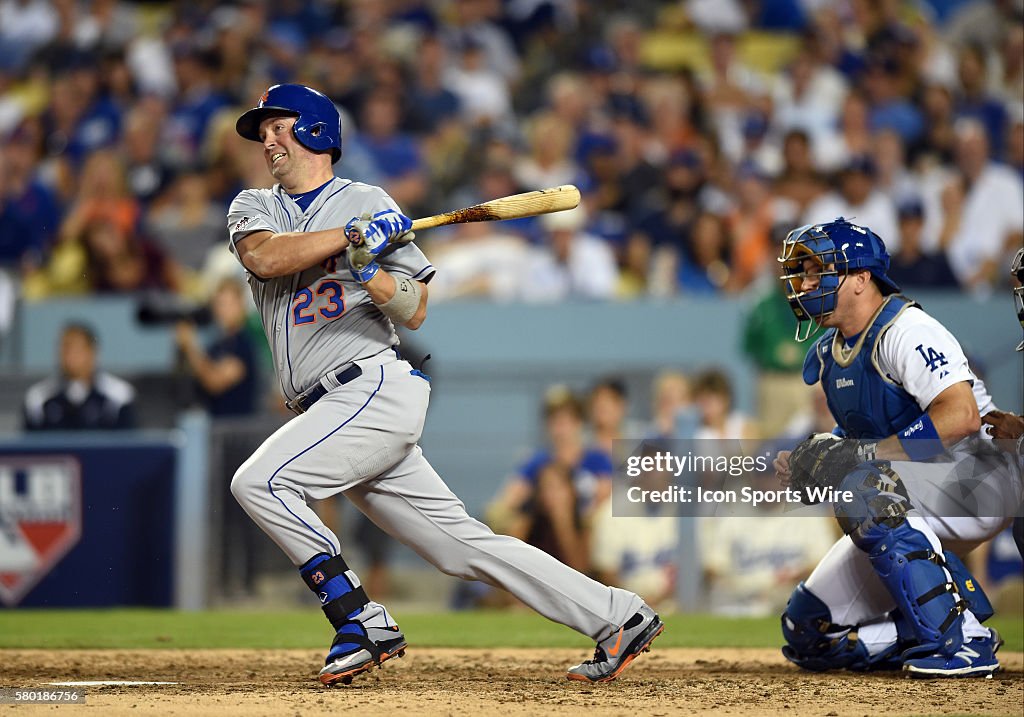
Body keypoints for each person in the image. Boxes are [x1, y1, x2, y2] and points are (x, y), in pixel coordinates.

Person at [226, 84, 662, 686]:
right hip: (329, 408)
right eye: (263, 130)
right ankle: (619, 616)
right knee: (462, 549)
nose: (267, 138)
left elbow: (414, 308)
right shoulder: (257, 206)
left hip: (372, 387)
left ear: (317, 130)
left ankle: (357, 618)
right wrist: (351, 237)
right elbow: (266, 259)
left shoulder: (369, 199)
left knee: (260, 482)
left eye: (278, 125)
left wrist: (373, 270)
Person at [772, 217, 1021, 678]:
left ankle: (963, 640)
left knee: (861, 486)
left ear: (861, 278)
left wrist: (858, 459)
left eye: (815, 270)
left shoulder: (907, 329)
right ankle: (921, 628)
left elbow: (960, 417)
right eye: (802, 272)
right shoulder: (830, 354)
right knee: (810, 632)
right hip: (915, 496)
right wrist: (818, 457)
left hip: (979, 476)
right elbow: (865, 438)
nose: (805, 283)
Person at [23, 322, 136, 430]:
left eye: (77, 348)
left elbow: (127, 445)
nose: (70, 356)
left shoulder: (119, 397)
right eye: (65, 348)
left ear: (92, 352)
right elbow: (30, 447)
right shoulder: (38, 398)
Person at [174, 277, 261, 417]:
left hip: (240, 431)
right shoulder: (216, 346)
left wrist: (190, 346)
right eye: (220, 304)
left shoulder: (245, 345)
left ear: (242, 306)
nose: (224, 310)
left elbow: (214, 382)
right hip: (216, 427)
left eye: (229, 304)